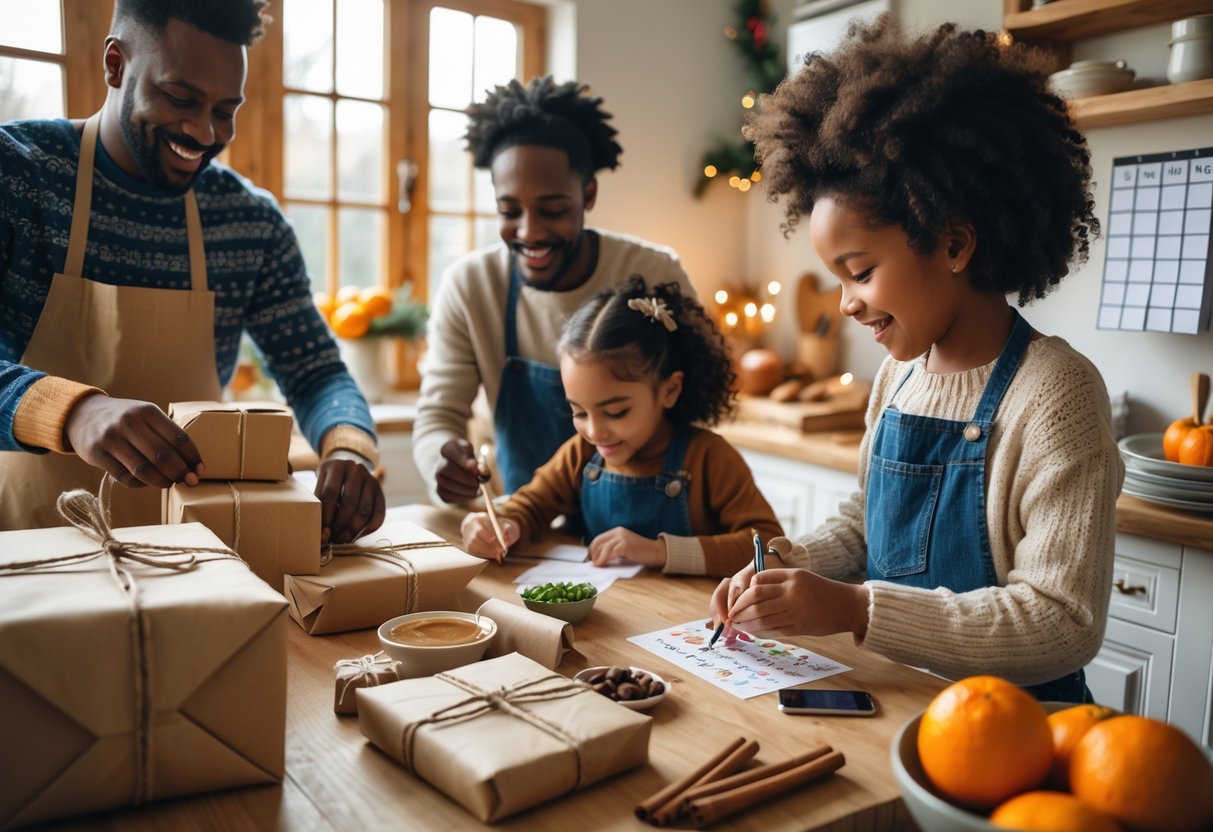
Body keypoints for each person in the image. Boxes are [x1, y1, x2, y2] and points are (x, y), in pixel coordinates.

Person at [709, 16, 1124, 703]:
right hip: (901, 704)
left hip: (1018, 730)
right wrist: (790, 565)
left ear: (954, 243)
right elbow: (866, 523)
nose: (844, 304)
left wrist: (854, 610)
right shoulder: (899, 375)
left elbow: (1060, 621)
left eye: (860, 271)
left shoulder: (1055, 394)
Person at [0, 0, 384, 544]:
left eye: (225, 110)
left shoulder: (249, 222)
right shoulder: (17, 174)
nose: (203, 132)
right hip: (25, 551)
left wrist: (348, 447)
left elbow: (315, 371)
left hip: (198, 554)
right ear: (115, 65)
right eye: (181, 98)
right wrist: (74, 412)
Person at [413, 76, 694, 506]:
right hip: (523, 524)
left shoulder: (652, 271)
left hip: (642, 524)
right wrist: (442, 462)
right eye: (509, 211)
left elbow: (695, 406)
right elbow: (438, 416)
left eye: (554, 210)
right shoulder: (471, 286)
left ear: (589, 194)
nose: (530, 231)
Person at [461, 277, 782, 576]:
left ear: (669, 391)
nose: (595, 431)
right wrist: (501, 525)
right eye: (579, 412)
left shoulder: (709, 458)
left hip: (691, 625)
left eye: (616, 412)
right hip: (610, 620)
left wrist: (660, 551)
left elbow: (768, 546)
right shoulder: (582, 453)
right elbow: (530, 505)